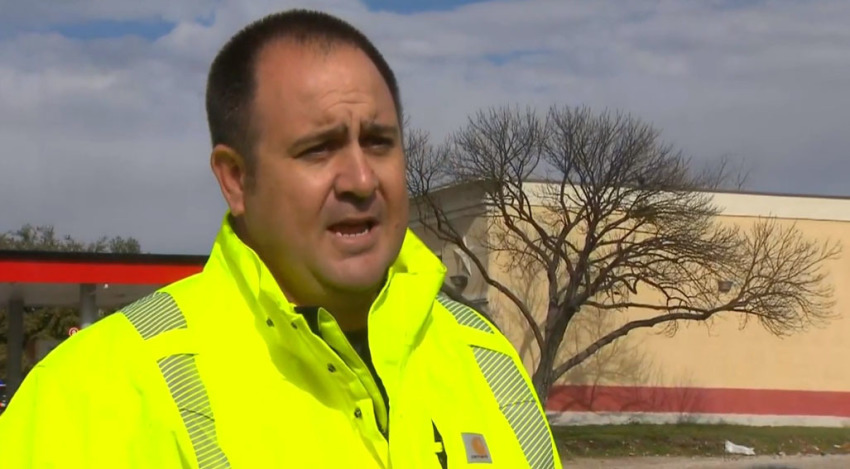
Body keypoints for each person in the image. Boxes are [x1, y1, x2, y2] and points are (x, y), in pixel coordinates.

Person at [0, 9, 561, 468]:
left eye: (379, 142)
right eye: (319, 148)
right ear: (236, 179)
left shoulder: (488, 360)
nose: (362, 180)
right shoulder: (91, 395)